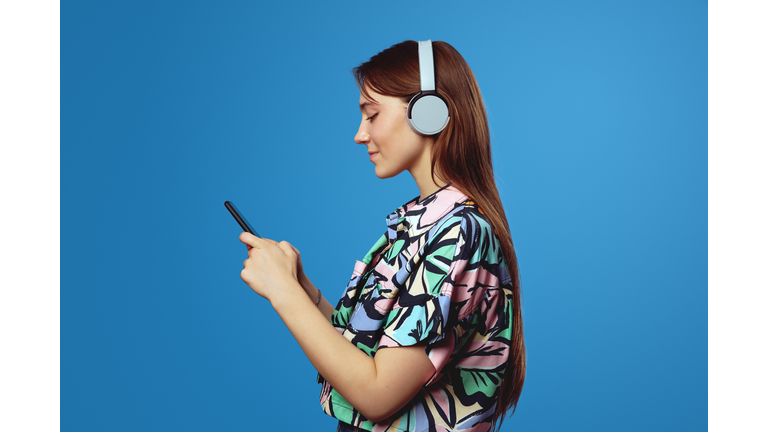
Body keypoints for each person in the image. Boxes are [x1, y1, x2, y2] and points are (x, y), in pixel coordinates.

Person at [238, 40, 525, 432]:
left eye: (372, 115)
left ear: (428, 113)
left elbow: (377, 394)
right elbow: (362, 355)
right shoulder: (417, 227)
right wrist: (302, 290)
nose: (360, 135)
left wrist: (282, 293)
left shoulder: (459, 234)